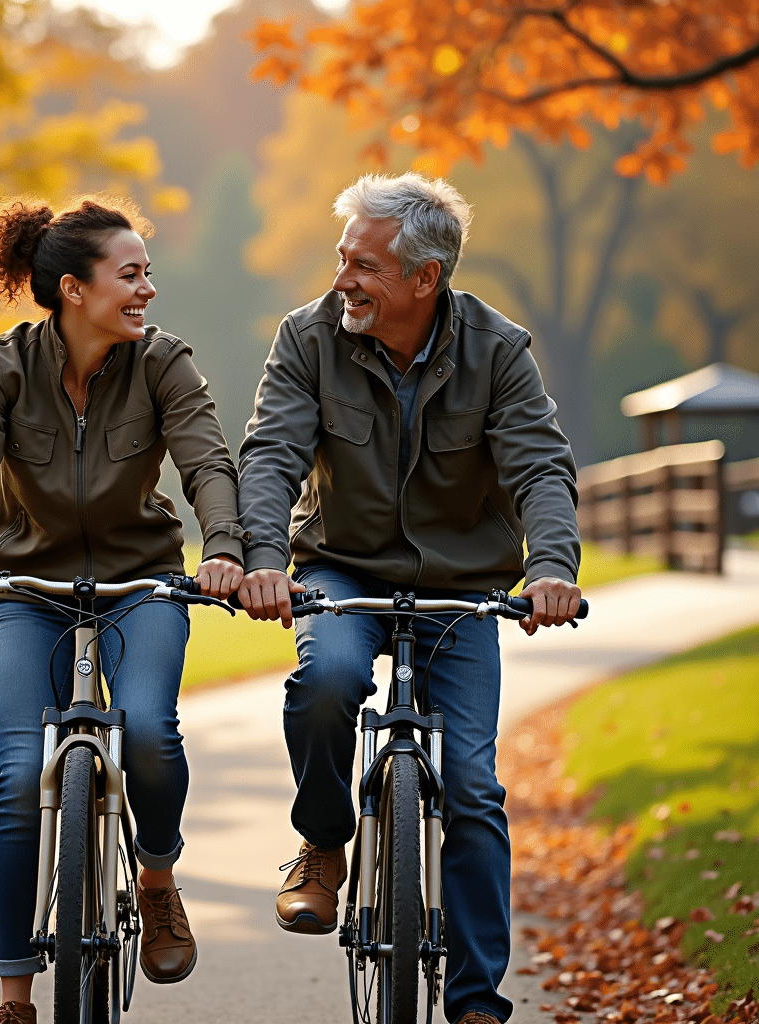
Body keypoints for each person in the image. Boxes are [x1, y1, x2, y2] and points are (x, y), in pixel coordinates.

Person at [236, 172, 581, 1024]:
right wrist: (264, 557)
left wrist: (553, 568)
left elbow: (540, 464)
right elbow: (272, 453)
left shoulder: (498, 350)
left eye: (365, 264)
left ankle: (473, 1004)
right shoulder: (307, 336)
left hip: (459, 584)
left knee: (471, 786)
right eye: (342, 257)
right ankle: (323, 842)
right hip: (340, 569)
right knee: (326, 683)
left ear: (424, 279)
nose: (343, 278)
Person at [0, 195, 244, 1024]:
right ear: (73, 288)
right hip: (24, 587)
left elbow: (209, 462)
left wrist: (225, 550)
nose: (147, 291)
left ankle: (158, 874)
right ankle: (16, 996)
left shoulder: (164, 363)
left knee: (146, 730)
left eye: (148, 274)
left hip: (142, 582)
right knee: (21, 772)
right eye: (129, 275)